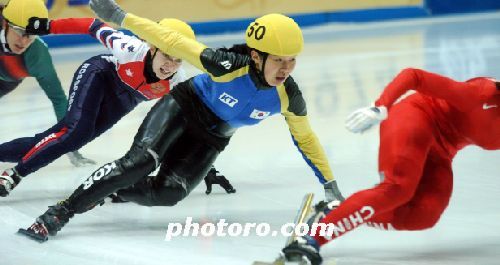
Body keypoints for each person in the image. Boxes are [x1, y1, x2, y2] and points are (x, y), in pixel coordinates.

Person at [17, 0, 344, 242]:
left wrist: (330, 186)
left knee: (168, 193)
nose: (285, 70)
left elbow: (306, 139)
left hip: (213, 136)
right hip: (184, 105)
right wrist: (120, 17)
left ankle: (113, 192)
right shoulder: (227, 64)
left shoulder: (289, 96)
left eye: (291, 61)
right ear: (256, 57)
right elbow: (174, 42)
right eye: (278, 61)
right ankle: (61, 211)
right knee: (140, 162)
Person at [280, 68, 500, 264]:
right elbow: (415, 76)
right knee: (398, 188)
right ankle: (310, 239)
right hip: (416, 117)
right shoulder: (480, 94)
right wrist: (381, 106)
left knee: (424, 215)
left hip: (442, 151)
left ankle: (335, 211)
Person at [0, 12, 196, 196]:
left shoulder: (177, 80)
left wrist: (203, 166)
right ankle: (14, 174)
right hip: (99, 75)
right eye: (166, 56)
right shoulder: (130, 49)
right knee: (76, 133)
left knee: (61, 140)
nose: (170, 65)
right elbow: (92, 25)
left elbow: (187, 122)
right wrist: (50, 26)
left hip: (124, 101)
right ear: (152, 48)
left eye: (178, 60)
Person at [0, 0, 94, 168]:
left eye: (32, 35)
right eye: (21, 31)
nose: (24, 41)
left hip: (5, 81)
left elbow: (58, 99)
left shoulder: (36, 56)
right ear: (5, 23)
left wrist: (70, 145)